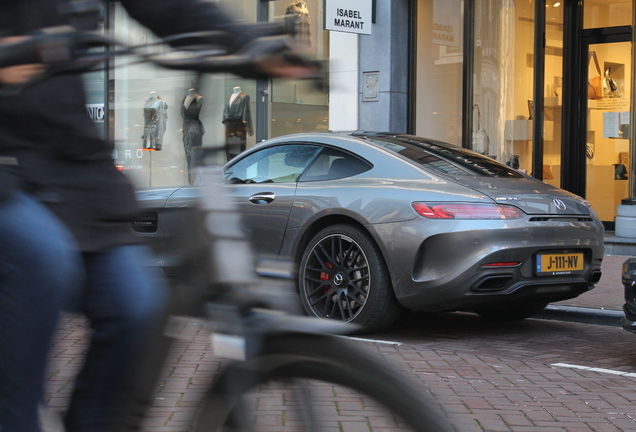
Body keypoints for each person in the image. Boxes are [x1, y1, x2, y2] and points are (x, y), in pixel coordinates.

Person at [0, 1, 318, 432]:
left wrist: (249, 42)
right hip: (8, 168)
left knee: (138, 303)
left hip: (68, 165)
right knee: (41, 256)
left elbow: (168, 6)